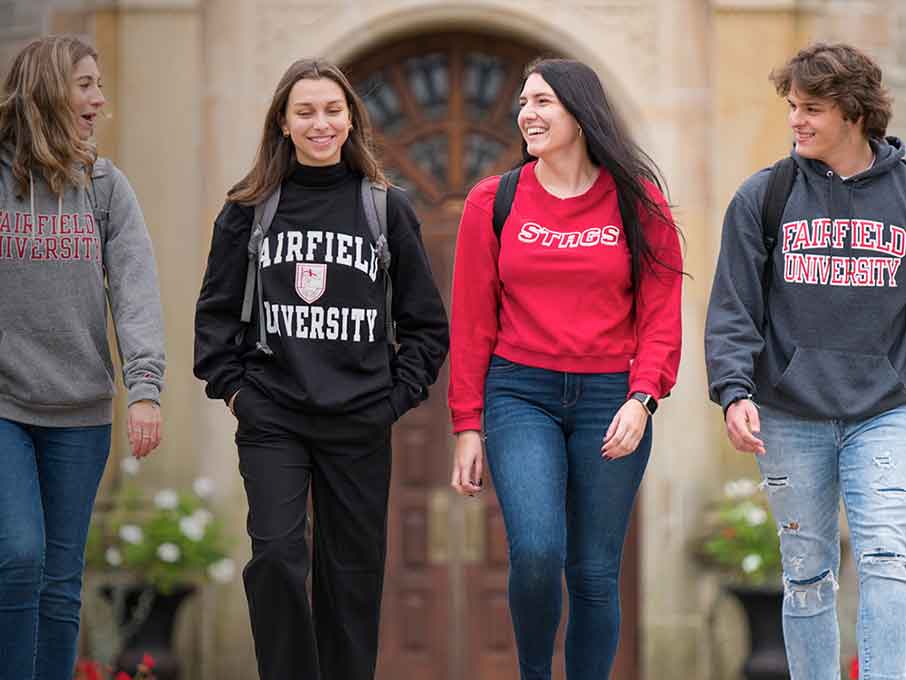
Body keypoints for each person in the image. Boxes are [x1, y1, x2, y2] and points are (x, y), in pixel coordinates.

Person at [193, 58, 448, 680]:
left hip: (359, 419)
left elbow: (426, 325)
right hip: (273, 416)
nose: (320, 123)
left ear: (350, 120)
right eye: (305, 111)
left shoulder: (386, 209)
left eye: (333, 110)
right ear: (283, 122)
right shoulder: (248, 211)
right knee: (277, 558)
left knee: (351, 584)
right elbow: (215, 319)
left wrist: (392, 400)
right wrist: (237, 395)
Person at [448, 58, 682, 680]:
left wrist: (642, 398)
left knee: (595, 572)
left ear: (581, 113)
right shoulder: (491, 201)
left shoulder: (640, 204)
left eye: (544, 100)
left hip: (612, 395)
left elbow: (660, 317)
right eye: (524, 101)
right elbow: (472, 325)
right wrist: (466, 425)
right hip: (520, 393)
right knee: (535, 552)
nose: (528, 112)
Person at [705, 42, 906, 680]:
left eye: (811, 108)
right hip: (789, 417)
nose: (796, 119)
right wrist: (734, 391)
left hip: (887, 411)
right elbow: (733, 305)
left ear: (854, 112)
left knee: (887, 561)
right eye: (792, 106)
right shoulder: (763, 197)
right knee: (807, 578)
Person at [0, 35, 165, 679]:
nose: (100, 100)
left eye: (99, 84)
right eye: (86, 85)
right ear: (47, 88)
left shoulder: (104, 186)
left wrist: (145, 387)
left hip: (80, 410)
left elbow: (135, 289)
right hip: (7, 403)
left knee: (62, 582)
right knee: (18, 554)